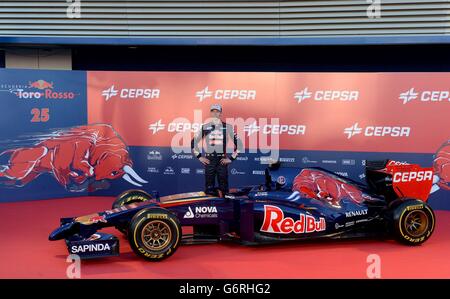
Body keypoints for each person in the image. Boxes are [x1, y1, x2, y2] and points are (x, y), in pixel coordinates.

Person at [191, 104, 242, 195]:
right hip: (209, 161)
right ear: (210, 113)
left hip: (222, 161)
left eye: (217, 111)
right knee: (209, 189)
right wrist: (199, 157)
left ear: (220, 113)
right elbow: (193, 142)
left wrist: (231, 159)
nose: (215, 113)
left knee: (224, 190)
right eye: (213, 111)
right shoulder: (205, 127)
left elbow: (240, 145)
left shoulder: (228, 127)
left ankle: (225, 208)